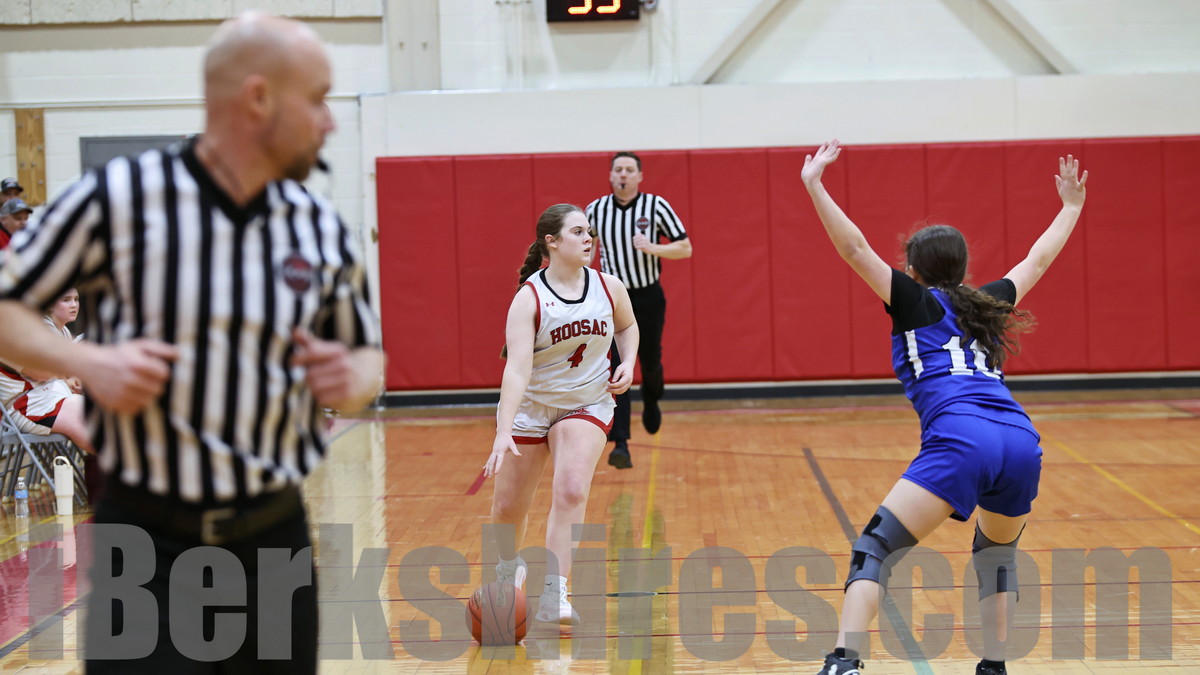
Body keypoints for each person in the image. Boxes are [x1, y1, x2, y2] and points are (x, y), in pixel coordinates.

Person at [0, 12, 383, 673]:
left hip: (274, 541)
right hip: (145, 545)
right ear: (258, 98)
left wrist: (348, 378)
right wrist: (86, 360)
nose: (330, 122)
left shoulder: (318, 224)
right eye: (317, 99)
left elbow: (367, 359)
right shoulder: (117, 198)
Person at [800, 140, 1087, 675]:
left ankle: (844, 662)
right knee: (997, 559)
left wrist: (815, 184)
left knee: (874, 550)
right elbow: (1039, 258)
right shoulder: (988, 302)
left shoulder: (914, 301)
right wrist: (1070, 207)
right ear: (962, 267)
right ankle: (994, 668)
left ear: (912, 268)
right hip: (1020, 439)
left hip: (962, 436)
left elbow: (854, 248)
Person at [485, 203, 638, 625]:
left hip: (586, 401)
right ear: (551, 242)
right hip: (533, 406)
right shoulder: (529, 298)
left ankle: (556, 592)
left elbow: (627, 326)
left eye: (589, 231)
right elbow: (517, 370)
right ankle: (509, 567)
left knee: (571, 490)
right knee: (508, 509)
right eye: (578, 232)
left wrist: (628, 361)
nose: (588, 239)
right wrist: (503, 432)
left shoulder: (609, 287)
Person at [585, 151, 691, 469]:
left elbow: (685, 247)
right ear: (610, 175)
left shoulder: (656, 206)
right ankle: (621, 444)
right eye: (618, 169)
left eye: (629, 170)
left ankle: (652, 397)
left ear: (639, 176)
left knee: (650, 359)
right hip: (613, 299)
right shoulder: (595, 210)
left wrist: (652, 247)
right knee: (617, 367)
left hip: (648, 296)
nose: (623, 174)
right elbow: (586, 250)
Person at [6, 288, 93, 453]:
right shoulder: (31, 328)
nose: (74, 305)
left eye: (76, 299)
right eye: (66, 300)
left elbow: (57, 370)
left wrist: (71, 378)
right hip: (26, 404)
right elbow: (42, 372)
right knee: (97, 425)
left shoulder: (61, 330)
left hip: (45, 394)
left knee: (102, 412)